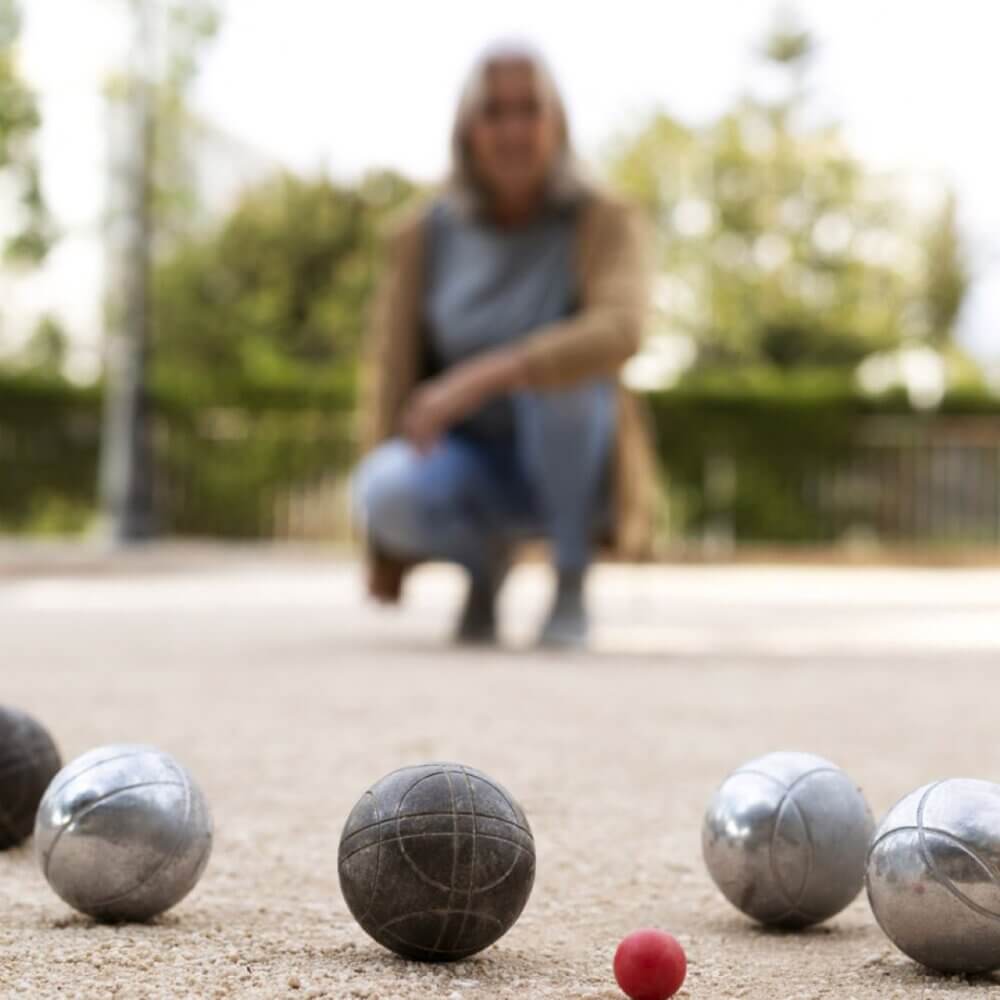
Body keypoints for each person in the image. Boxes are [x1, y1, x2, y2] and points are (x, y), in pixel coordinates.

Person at [354, 41, 657, 648]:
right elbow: (390, 374)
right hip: (465, 463)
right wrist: (380, 549)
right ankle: (481, 570)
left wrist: (482, 377)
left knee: (565, 383)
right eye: (495, 111)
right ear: (468, 128)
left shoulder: (604, 218)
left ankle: (570, 575)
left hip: (566, 462)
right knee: (382, 489)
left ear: (557, 122)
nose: (513, 128)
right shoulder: (424, 233)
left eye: (529, 109)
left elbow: (621, 329)